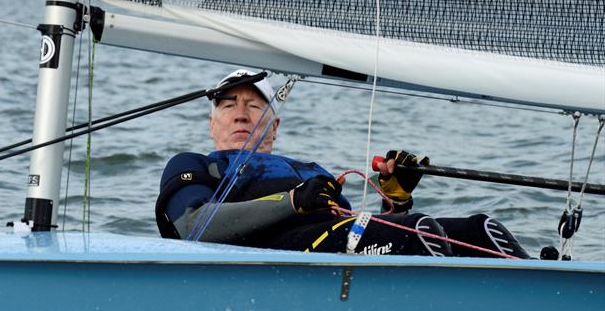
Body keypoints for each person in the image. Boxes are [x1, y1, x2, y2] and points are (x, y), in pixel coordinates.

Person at [155, 69, 529, 258]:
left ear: (275, 125)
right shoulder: (195, 165)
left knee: (480, 229)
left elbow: (352, 230)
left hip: (324, 248)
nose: (241, 115)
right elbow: (194, 227)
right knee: (417, 231)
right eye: (227, 105)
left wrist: (394, 201)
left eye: (254, 106)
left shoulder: (309, 170)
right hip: (272, 258)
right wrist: (293, 202)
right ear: (212, 123)